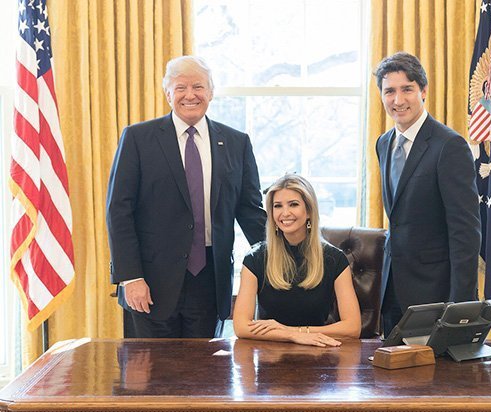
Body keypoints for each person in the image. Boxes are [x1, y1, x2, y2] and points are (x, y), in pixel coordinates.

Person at [106, 55, 267, 338]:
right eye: (180, 88)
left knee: (206, 365)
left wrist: (284, 257)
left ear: (211, 92)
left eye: (198, 87)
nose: (190, 95)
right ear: (168, 93)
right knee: (149, 367)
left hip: (210, 281)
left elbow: (250, 211)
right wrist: (131, 277)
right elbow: (119, 212)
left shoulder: (236, 143)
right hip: (149, 283)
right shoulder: (138, 138)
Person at [374, 52, 481, 337]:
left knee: (432, 367)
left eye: (407, 89)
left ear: (423, 91)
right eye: (389, 91)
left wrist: (461, 306)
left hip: (435, 294)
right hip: (391, 291)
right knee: (393, 365)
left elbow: (465, 231)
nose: (398, 100)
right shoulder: (383, 144)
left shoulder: (449, 146)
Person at [233, 174, 361, 347]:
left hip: (319, 352)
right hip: (270, 354)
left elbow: (353, 327)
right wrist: (291, 336)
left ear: (309, 211)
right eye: (278, 206)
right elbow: (241, 327)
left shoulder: (334, 259)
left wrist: (294, 331)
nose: (285, 213)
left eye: (293, 204)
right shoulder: (255, 258)